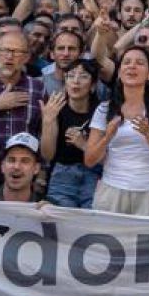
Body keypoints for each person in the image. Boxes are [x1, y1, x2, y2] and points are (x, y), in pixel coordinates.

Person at [85, 46, 149, 217]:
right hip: (111, 192)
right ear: (119, 73)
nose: (132, 66)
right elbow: (90, 160)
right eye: (127, 63)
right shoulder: (104, 109)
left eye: (139, 63)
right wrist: (107, 138)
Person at [40, 59, 101, 209]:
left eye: (83, 76)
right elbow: (47, 154)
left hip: (95, 174)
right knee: (61, 222)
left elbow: (108, 156)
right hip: (63, 173)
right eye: (71, 76)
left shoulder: (102, 111)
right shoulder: (55, 108)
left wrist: (84, 145)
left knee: (92, 220)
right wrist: (48, 121)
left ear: (93, 85)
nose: (76, 81)